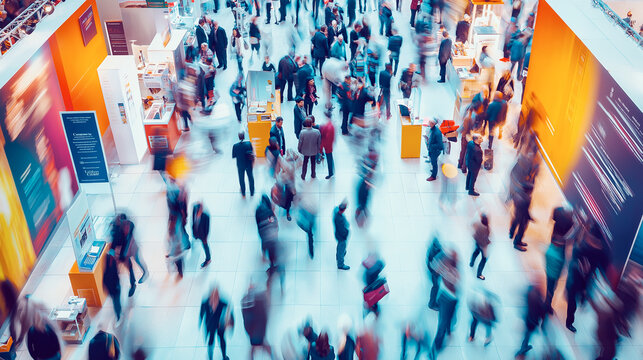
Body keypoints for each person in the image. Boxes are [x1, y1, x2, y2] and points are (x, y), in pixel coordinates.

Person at [109, 213, 148, 298]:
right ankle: (133, 284)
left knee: (137, 260)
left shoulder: (130, 225)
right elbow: (115, 243)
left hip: (132, 249)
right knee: (129, 268)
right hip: (125, 254)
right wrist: (115, 254)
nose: (126, 228)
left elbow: (127, 239)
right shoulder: (117, 231)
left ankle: (145, 272)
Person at [544, 207, 574, 313]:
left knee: (550, 287)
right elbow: (561, 266)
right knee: (551, 289)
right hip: (553, 274)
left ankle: (547, 303)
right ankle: (547, 306)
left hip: (549, 271)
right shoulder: (560, 256)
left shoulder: (549, 249)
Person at [430, 251, 460, 359]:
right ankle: (435, 349)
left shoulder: (448, 268)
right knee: (442, 323)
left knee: (449, 318)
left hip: (447, 298)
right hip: (448, 299)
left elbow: (434, 266)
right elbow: (455, 281)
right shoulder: (452, 271)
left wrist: (442, 266)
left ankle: (449, 329)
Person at [241, 283, 274, 359]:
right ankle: (272, 356)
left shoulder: (245, 301)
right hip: (258, 331)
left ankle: (271, 356)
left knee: (256, 346)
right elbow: (264, 316)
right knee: (262, 344)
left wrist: (249, 332)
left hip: (254, 332)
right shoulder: (260, 299)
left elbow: (246, 321)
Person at [515, 278, 546, 358]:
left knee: (527, 334)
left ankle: (524, 348)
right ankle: (522, 351)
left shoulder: (530, 292)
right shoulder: (538, 299)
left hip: (528, 318)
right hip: (533, 321)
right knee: (528, 334)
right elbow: (542, 312)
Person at [200, 286, 232, 360]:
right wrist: (200, 321)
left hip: (220, 325)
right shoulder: (205, 303)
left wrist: (229, 323)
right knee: (211, 340)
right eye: (213, 296)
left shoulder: (223, 303)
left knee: (221, 339)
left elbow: (229, 314)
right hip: (210, 326)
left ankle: (224, 356)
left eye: (216, 296)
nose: (214, 298)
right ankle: (210, 357)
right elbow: (201, 313)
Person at [232, 131, 255, 197]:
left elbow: (234, 156)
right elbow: (252, 152)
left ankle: (243, 192)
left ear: (238, 137)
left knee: (241, 178)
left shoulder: (235, 146)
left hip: (240, 165)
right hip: (248, 164)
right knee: (250, 177)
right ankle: (252, 192)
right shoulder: (249, 144)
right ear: (244, 136)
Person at [510, 187, 532, 252]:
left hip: (517, 213)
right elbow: (526, 211)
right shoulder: (527, 199)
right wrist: (530, 218)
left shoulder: (517, 194)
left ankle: (511, 233)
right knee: (521, 230)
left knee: (515, 223)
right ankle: (517, 243)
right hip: (523, 217)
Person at [469, 214, 491, 280]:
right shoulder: (486, 228)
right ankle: (479, 274)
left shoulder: (478, 223)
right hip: (482, 245)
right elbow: (485, 239)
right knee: (484, 259)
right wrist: (488, 242)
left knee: (476, 252)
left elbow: (471, 224)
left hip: (476, 241)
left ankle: (471, 263)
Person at [192, 202, 212, 268]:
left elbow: (207, 228)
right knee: (194, 239)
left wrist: (205, 237)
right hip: (196, 232)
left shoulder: (206, 216)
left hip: (203, 235)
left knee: (205, 246)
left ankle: (208, 259)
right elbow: (193, 220)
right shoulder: (194, 210)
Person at [426, 236, 443, 310]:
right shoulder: (433, 252)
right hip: (434, 272)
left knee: (437, 286)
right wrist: (435, 272)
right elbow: (430, 264)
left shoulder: (437, 249)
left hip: (437, 271)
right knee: (436, 286)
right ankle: (431, 304)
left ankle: (434, 302)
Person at [334, 200, 350, 270]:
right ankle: (340, 264)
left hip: (338, 234)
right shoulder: (339, 219)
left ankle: (339, 255)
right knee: (341, 247)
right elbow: (342, 230)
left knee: (340, 246)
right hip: (342, 236)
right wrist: (346, 233)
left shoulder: (335, 211)